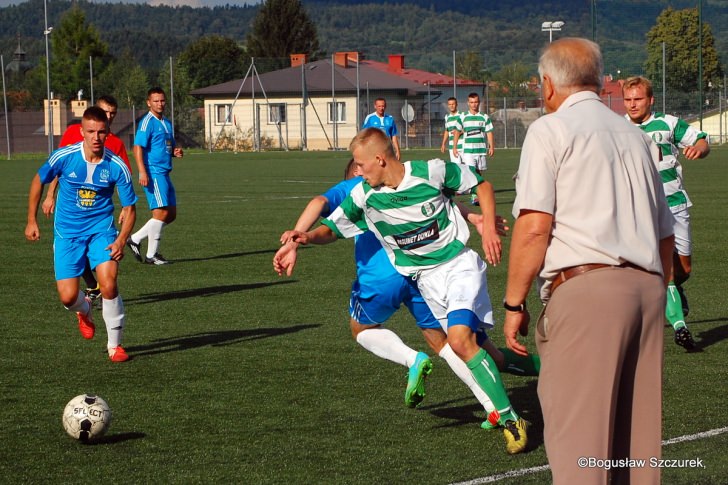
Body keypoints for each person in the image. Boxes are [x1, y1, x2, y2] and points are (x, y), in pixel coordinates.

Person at [282, 128, 529, 455]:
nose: (357, 171)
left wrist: (484, 228)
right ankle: (535, 379)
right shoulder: (364, 196)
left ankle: (511, 418)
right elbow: (332, 229)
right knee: (484, 352)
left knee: (457, 340)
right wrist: (305, 238)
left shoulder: (431, 171)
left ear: (379, 159)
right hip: (424, 282)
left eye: (360, 164)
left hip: (458, 266)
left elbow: (478, 183)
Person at [502, 38, 674, 484]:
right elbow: (665, 233)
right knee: (636, 451)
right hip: (648, 288)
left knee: (581, 446)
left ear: (548, 85)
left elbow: (535, 226)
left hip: (587, 289)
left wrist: (514, 304)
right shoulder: (635, 135)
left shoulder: (550, 129)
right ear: (598, 81)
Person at [25, 106, 137, 362]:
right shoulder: (64, 157)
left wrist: (120, 239)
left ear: (107, 132)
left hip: (101, 231)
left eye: (101, 132)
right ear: (82, 132)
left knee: (108, 284)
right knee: (67, 297)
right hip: (67, 234)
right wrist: (31, 220)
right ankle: (84, 309)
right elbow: (37, 181)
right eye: (91, 132)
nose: (96, 137)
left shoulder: (117, 165)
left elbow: (130, 209)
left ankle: (114, 346)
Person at [622, 75, 710, 350]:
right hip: (641, 208)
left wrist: (698, 149)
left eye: (638, 99)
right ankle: (680, 327)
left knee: (684, 268)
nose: (632, 105)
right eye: (627, 100)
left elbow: (701, 140)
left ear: (650, 100)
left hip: (675, 204)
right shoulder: (616, 129)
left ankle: (676, 291)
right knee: (665, 269)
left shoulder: (669, 123)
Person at [42, 95, 132, 303]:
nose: (109, 116)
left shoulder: (116, 144)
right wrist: (50, 195)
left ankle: (97, 289)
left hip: (98, 221)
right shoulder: (73, 133)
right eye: (105, 112)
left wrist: (125, 209)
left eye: (113, 114)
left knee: (105, 274)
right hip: (72, 216)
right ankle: (91, 286)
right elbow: (59, 169)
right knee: (74, 265)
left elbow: (120, 176)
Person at [126, 87, 183, 265]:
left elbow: (166, 147)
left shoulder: (166, 123)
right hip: (153, 172)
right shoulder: (147, 122)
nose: (160, 103)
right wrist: (142, 171)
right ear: (148, 102)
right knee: (161, 212)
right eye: (156, 101)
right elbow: (137, 147)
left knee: (171, 214)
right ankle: (152, 255)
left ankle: (135, 239)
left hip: (165, 173)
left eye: (162, 100)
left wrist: (175, 152)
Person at [452, 92, 495, 205]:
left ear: (479, 103)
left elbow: (489, 132)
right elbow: (457, 132)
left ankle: (476, 193)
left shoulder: (484, 117)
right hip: (468, 151)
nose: (474, 104)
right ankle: (474, 196)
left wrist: (491, 146)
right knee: (472, 172)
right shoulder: (463, 117)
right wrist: (455, 147)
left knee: (479, 172)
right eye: (471, 102)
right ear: (468, 103)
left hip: (481, 150)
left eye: (475, 102)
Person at [440, 97, 463, 163]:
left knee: (466, 168)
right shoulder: (447, 117)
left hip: (462, 145)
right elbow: (447, 130)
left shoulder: (461, 115)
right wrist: (443, 144)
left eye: (453, 104)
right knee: (456, 167)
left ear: (456, 104)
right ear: (448, 105)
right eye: (450, 104)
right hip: (452, 146)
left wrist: (459, 132)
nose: (451, 106)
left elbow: (467, 128)